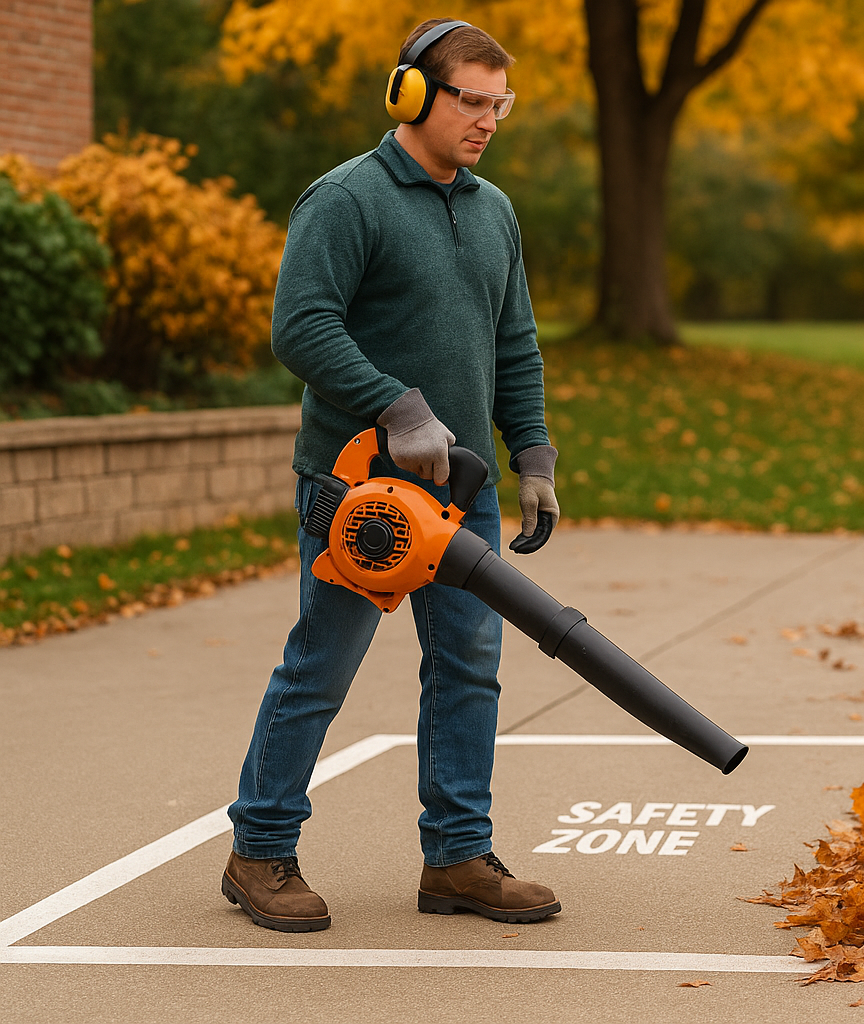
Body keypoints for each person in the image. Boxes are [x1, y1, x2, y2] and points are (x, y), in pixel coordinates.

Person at [220, 18, 561, 933]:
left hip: (463, 491)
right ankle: (259, 850)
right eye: (471, 100)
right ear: (412, 93)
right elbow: (301, 326)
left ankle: (457, 858)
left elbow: (513, 339)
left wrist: (531, 451)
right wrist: (395, 405)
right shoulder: (346, 199)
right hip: (357, 487)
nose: (488, 120)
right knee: (322, 666)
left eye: (501, 104)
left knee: (468, 668)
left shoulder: (494, 210)